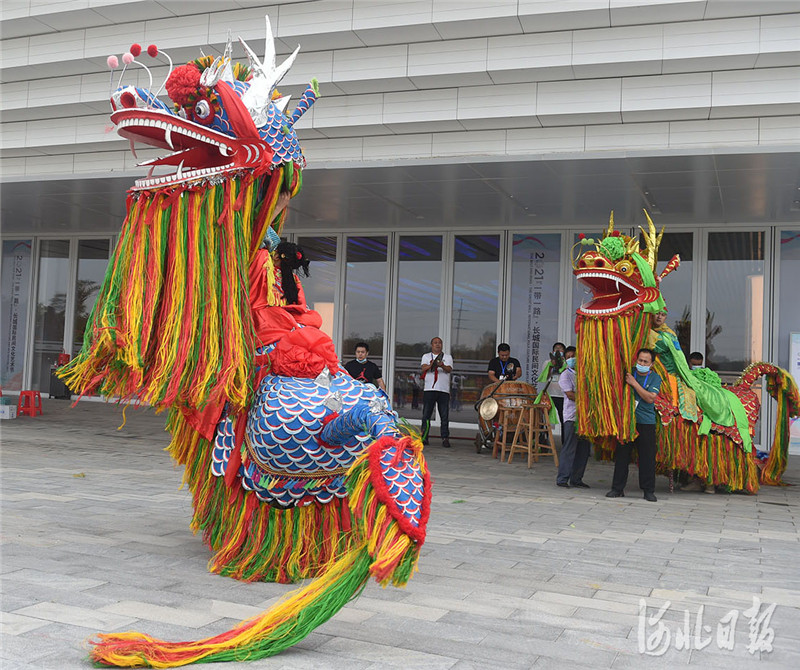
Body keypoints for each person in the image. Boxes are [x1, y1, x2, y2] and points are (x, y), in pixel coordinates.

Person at [606, 348, 662, 502]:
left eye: (645, 362)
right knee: (622, 456)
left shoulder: (655, 378)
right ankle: (617, 488)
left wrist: (634, 383)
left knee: (647, 458)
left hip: (646, 423)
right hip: (627, 422)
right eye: (640, 360)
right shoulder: (629, 373)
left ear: (651, 364)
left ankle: (648, 491)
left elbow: (650, 398)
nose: (642, 363)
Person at [555, 346, 591, 489]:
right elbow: (570, 394)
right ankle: (562, 478)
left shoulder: (585, 374)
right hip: (572, 417)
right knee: (569, 447)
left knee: (584, 450)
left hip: (585, 418)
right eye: (568, 357)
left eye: (573, 356)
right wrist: (588, 401)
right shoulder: (565, 375)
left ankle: (577, 479)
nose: (571, 359)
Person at [420, 337, 453, 448]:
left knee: (444, 416)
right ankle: (424, 437)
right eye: (435, 343)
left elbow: (449, 369)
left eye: (439, 343)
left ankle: (445, 438)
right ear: (431, 345)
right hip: (429, 389)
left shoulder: (447, 357)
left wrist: (441, 365)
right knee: (426, 415)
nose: (437, 345)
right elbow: (423, 368)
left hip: (443, 390)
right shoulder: (426, 356)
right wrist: (432, 364)